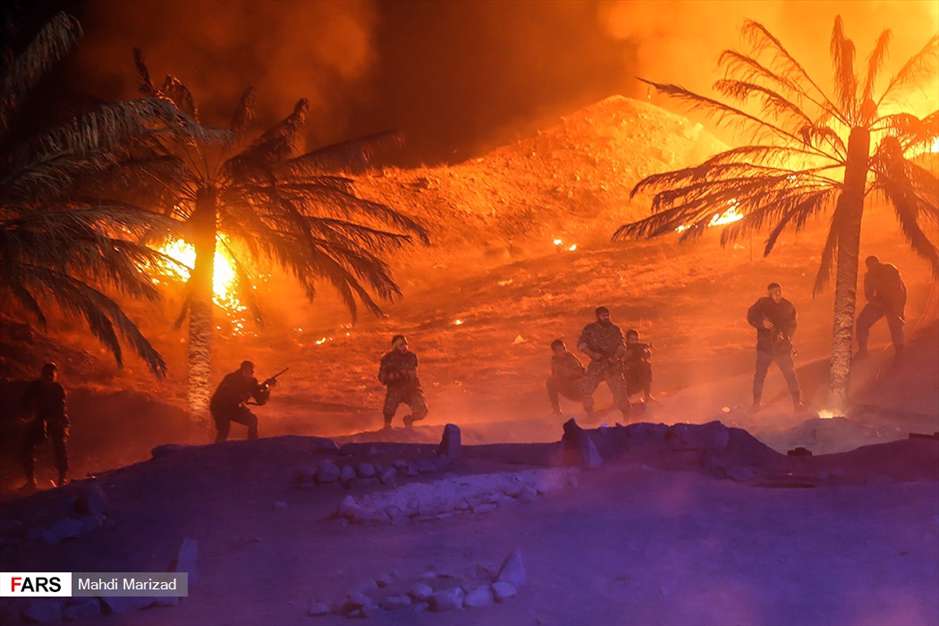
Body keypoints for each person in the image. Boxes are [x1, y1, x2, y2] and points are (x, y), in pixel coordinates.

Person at [747, 282, 804, 412]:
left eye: (779, 291)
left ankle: (797, 403)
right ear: (769, 294)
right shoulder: (762, 304)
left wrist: (785, 335)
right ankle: (756, 404)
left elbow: (793, 324)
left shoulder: (787, 306)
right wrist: (762, 323)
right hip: (765, 348)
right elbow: (750, 316)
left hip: (782, 349)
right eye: (774, 292)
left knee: (790, 375)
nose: (777, 294)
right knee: (760, 376)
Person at [20, 362, 69, 489]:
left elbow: (61, 408)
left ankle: (62, 478)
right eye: (46, 374)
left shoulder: (58, 389)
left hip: (54, 419)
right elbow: (25, 403)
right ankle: (31, 480)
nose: (48, 377)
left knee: (60, 445)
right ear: (41, 375)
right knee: (26, 446)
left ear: (55, 376)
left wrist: (58, 421)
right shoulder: (34, 387)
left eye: (51, 375)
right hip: (38, 419)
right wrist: (29, 416)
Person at [577, 306, 630, 418]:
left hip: (612, 365)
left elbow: (622, 346)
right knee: (585, 388)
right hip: (597, 364)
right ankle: (590, 413)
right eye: (603, 315)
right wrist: (592, 354)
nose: (606, 317)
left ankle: (626, 415)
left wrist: (615, 357)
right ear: (598, 316)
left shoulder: (615, 329)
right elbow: (581, 345)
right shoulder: (590, 329)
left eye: (607, 315)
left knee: (620, 391)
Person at [210, 360, 274, 442]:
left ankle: (252, 444)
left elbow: (260, 401)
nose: (251, 372)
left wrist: (267, 388)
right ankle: (217, 450)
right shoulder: (231, 378)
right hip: (220, 408)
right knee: (224, 429)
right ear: (243, 370)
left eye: (251, 370)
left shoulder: (252, 382)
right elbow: (227, 395)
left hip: (233, 408)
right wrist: (245, 395)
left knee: (252, 420)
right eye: (248, 370)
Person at [857, 256, 907, 358]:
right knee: (861, 322)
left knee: (895, 325)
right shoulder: (869, 276)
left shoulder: (890, 269)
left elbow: (899, 288)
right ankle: (863, 351)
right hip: (880, 302)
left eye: (874, 265)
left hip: (896, 300)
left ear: (878, 263)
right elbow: (869, 295)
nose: (872, 268)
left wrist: (897, 309)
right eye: (869, 266)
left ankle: (900, 351)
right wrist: (877, 303)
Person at [378, 335, 428, 428]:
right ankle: (387, 426)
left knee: (422, 410)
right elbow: (382, 377)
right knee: (389, 407)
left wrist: (405, 375)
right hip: (396, 388)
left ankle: (409, 420)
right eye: (401, 345)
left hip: (411, 389)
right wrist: (393, 377)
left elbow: (413, 374)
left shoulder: (411, 357)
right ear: (395, 346)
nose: (404, 347)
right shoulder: (387, 359)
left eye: (406, 344)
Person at [546, 339, 588, 417]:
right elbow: (555, 376)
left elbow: (581, 373)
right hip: (569, 388)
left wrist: (568, 372)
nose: (563, 351)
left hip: (578, 390)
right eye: (559, 350)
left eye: (564, 348)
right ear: (554, 352)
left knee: (582, 383)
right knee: (550, 382)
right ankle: (557, 411)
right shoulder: (555, 361)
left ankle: (589, 412)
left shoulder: (570, 358)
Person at [624, 329, 654, 407]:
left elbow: (647, 356)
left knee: (646, 365)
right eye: (632, 339)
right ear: (627, 340)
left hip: (638, 378)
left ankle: (647, 395)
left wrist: (646, 351)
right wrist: (627, 356)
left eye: (636, 339)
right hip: (628, 380)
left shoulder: (639, 347)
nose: (634, 341)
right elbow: (620, 361)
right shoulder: (623, 348)